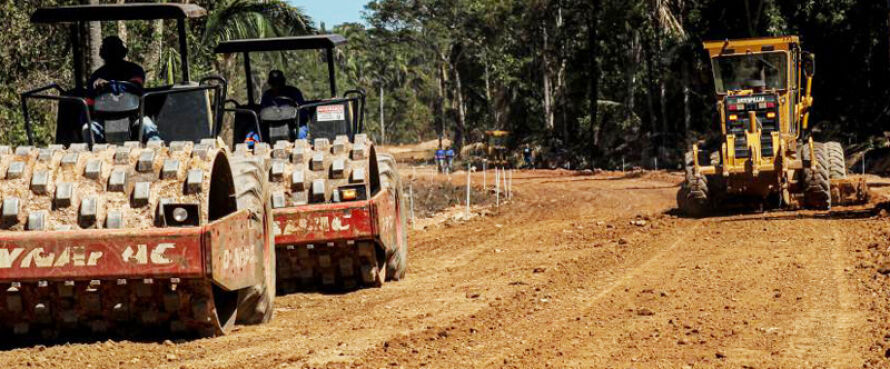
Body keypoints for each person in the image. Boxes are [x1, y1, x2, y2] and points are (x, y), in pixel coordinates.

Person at [83, 36, 160, 142]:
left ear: (122, 53)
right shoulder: (96, 76)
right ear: (103, 55)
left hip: (133, 116)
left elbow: (134, 86)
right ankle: (91, 155)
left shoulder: (135, 70)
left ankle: (158, 153)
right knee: (88, 129)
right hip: (104, 118)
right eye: (109, 53)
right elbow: (89, 102)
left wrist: (110, 85)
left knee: (148, 128)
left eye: (115, 52)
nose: (112, 57)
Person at [260, 70, 308, 140]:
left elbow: (303, 111)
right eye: (274, 83)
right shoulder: (267, 95)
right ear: (270, 83)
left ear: (283, 82)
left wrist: (294, 116)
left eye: (279, 83)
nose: (276, 86)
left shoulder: (294, 92)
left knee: (300, 134)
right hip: (271, 127)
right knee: (254, 137)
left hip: (294, 125)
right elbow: (262, 112)